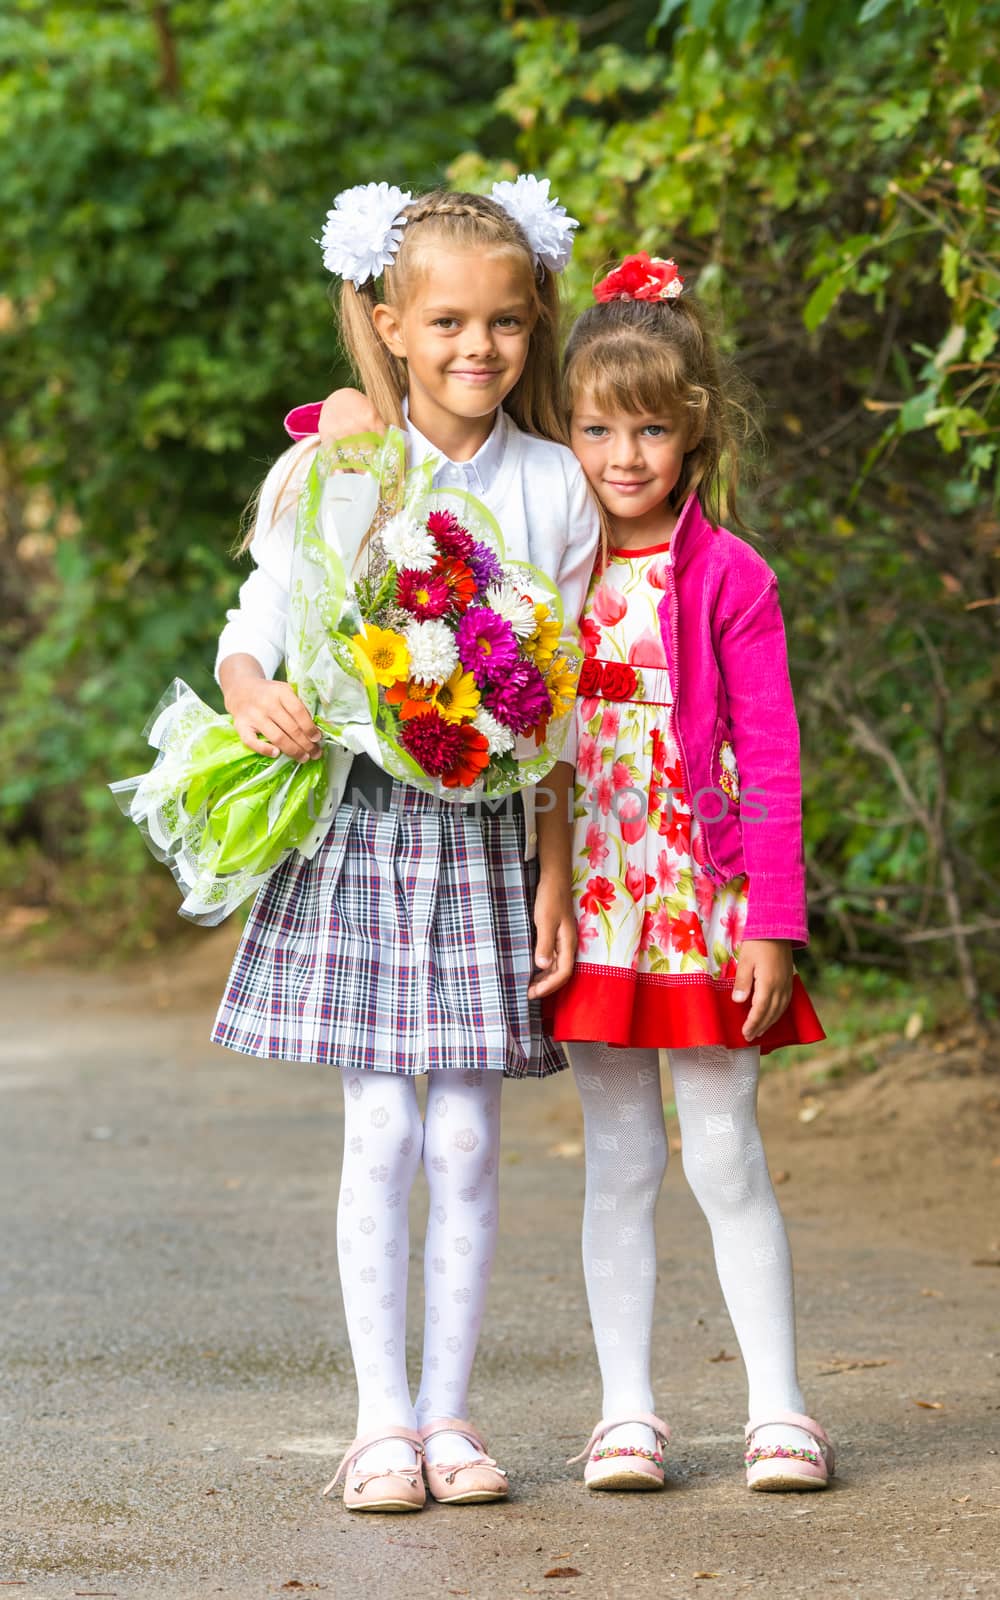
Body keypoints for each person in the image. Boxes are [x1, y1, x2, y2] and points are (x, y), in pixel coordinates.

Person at [213, 178, 601, 1512]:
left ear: (532, 318)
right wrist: (247, 684)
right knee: (381, 1132)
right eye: (442, 323)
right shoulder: (341, 467)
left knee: (471, 1143)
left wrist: (555, 875)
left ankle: (452, 1417)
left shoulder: (554, 483)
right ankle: (379, 1422)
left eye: (499, 322)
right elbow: (257, 613)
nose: (473, 350)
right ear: (386, 324)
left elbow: (559, 701)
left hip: (493, 834)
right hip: (366, 825)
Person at [546, 252, 833, 1494]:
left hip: (700, 905)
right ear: (564, 431)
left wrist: (771, 920)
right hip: (597, 900)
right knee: (618, 1158)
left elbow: (768, 757)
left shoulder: (730, 574)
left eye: (648, 428)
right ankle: (626, 1412)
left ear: (692, 428)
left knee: (721, 1150)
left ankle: (778, 1409)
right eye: (597, 428)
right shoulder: (543, 568)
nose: (622, 455)